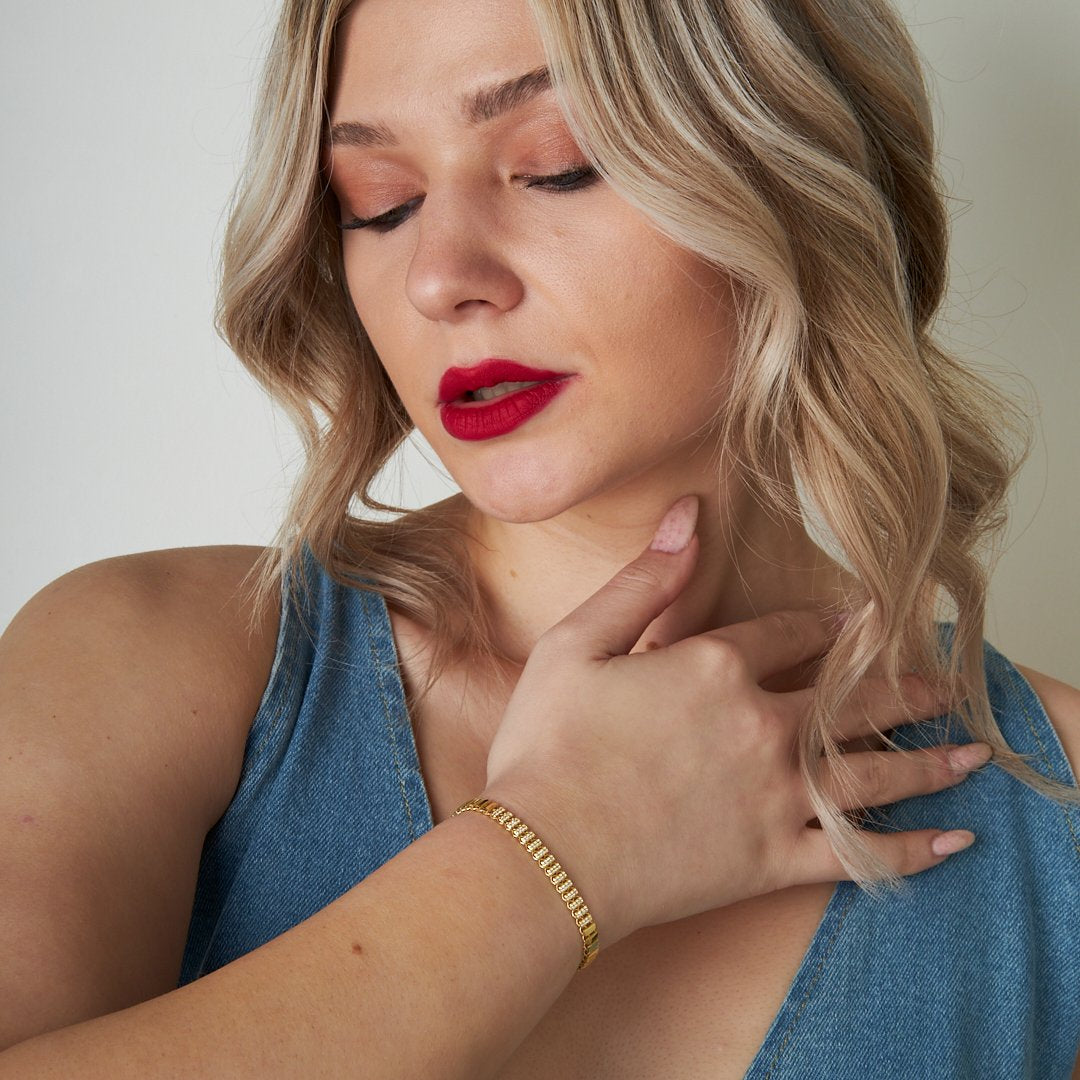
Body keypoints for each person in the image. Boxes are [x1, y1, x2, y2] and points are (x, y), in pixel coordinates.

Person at [1, 0, 1077, 1075]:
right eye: (379, 203)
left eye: (556, 166)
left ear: (795, 179)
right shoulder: (153, 661)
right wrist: (560, 845)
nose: (437, 275)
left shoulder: (1058, 800)